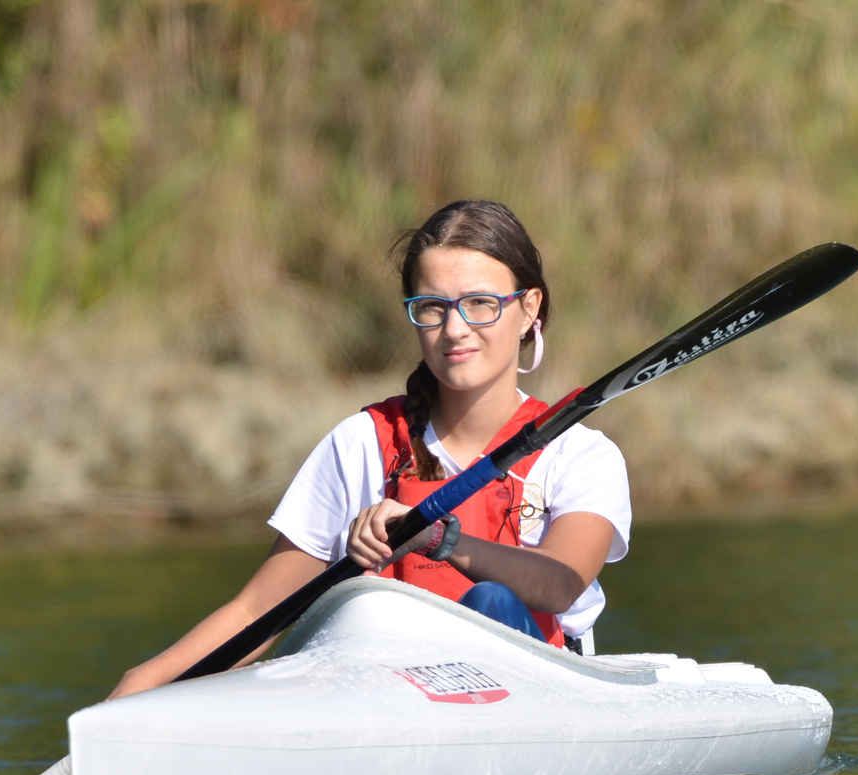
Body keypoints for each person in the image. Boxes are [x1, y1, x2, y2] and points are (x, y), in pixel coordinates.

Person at [108, 199, 630, 699]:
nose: (454, 329)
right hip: (391, 697)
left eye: (480, 304)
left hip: (538, 693)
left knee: (492, 601)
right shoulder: (362, 443)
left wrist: (441, 541)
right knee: (344, 623)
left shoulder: (581, 455)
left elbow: (560, 585)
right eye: (432, 307)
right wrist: (144, 686)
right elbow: (256, 614)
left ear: (528, 308)